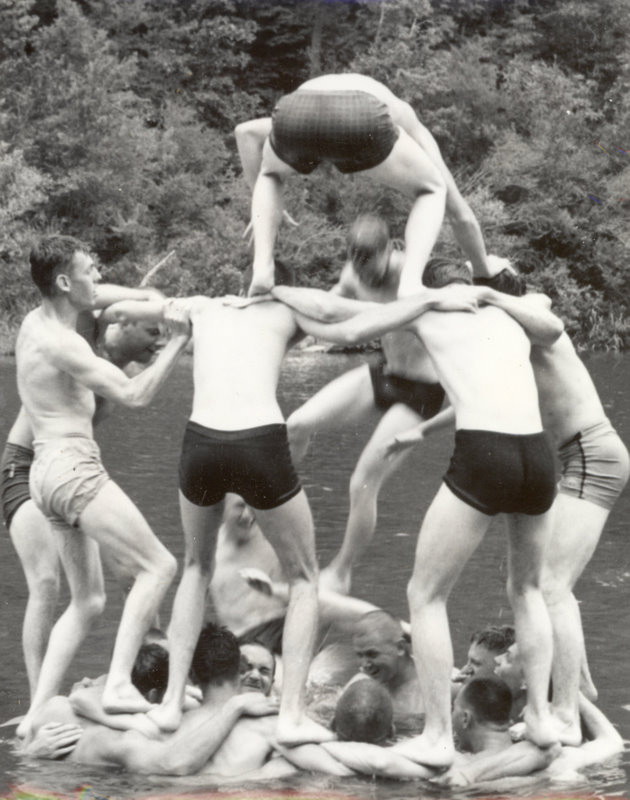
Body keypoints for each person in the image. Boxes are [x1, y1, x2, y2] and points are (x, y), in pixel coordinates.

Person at [104, 265, 481, 745]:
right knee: (304, 577)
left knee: (195, 567)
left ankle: (173, 703)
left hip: (200, 443)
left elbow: (117, 309)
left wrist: (161, 308)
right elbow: (359, 323)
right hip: (258, 441)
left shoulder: (205, 306)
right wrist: (432, 302)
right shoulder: (287, 309)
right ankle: (291, 715)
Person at [270, 257, 565, 766]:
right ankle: (539, 714)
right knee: (528, 588)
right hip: (537, 455)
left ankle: (436, 735)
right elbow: (553, 325)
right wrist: (495, 296)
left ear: (429, 286)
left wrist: (275, 289)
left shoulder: (426, 310)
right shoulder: (508, 313)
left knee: (424, 595)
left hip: (486, 450)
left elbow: (342, 319)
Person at [394, 258, 630, 742]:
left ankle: (566, 708)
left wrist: (494, 297)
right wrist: (420, 429)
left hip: (591, 454)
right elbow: (472, 396)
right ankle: (573, 687)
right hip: (576, 454)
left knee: (550, 585)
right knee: (529, 583)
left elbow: (539, 305)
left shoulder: (527, 321)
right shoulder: (512, 334)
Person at [14, 235, 190, 738]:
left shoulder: (35, 322)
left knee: (89, 600)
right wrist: (176, 341)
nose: (98, 277)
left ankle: (35, 718)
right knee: (160, 565)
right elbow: (135, 395)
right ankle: (117, 682)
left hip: (44, 473)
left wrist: (149, 302)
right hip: (73, 468)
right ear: (66, 281)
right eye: (90, 269)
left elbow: (107, 298)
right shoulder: (63, 343)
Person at [3, 304, 163, 706]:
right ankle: (39, 703)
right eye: (150, 331)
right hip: (23, 467)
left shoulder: (118, 372)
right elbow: (96, 295)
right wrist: (152, 301)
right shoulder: (81, 338)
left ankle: (151, 674)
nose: (158, 340)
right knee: (45, 581)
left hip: (69, 468)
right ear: (121, 322)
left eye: (163, 333)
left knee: (131, 572)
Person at [287, 215, 449, 593]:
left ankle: (341, 572)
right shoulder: (353, 274)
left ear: (389, 249)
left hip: (422, 392)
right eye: (357, 265)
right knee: (295, 425)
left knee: (362, 483)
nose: (364, 274)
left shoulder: (414, 274)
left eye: (370, 264)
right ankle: (272, 508)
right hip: (386, 374)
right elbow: (324, 307)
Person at [234, 73, 490, 296]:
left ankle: (262, 269)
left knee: (269, 176)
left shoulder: (328, 98)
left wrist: (265, 211)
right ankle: (411, 283)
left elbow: (244, 133)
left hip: (295, 108)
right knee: (433, 189)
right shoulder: (408, 121)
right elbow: (460, 215)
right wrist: (483, 272)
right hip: (359, 111)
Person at [26, 626, 278, 774]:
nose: (253, 676)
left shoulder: (59, 706)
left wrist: (28, 753)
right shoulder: (134, 736)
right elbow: (173, 764)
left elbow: (78, 698)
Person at [348, 610, 422, 717]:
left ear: (400, 647)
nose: (364, 665)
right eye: (360, 655)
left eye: (372, 654)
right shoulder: (360, 683)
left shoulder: (435, 689)